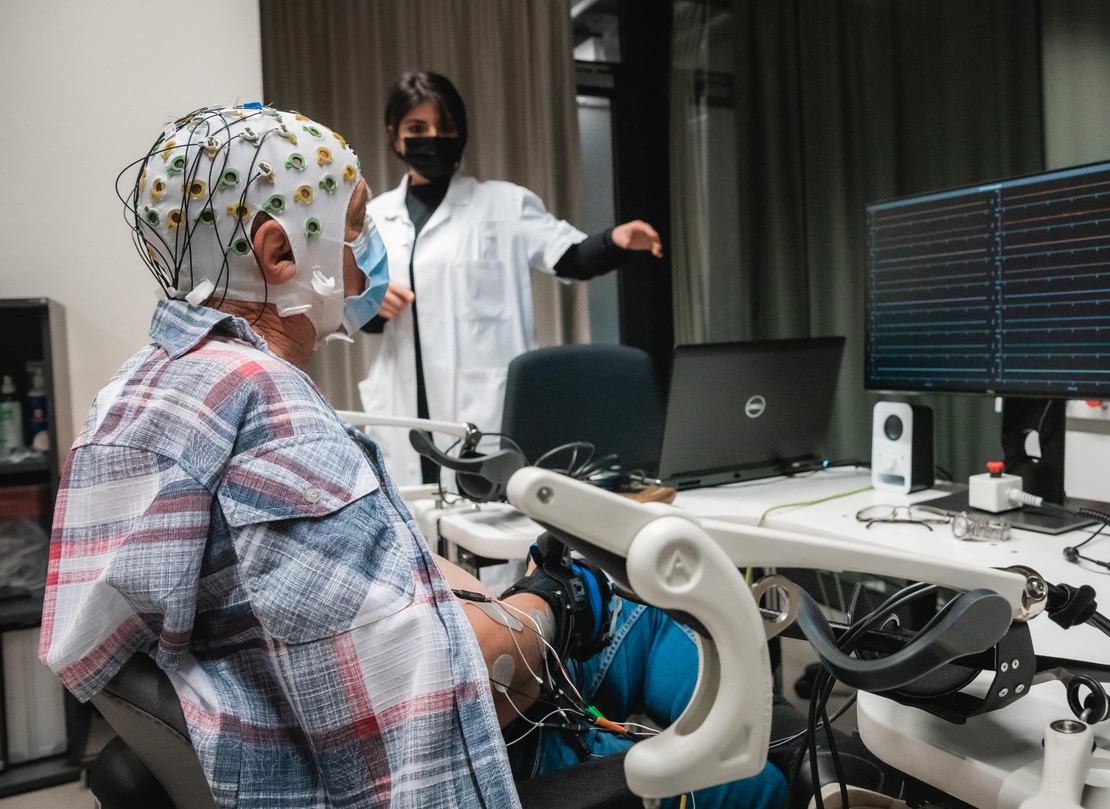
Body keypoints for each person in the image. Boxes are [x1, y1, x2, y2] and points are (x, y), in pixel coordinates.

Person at [40, 105, 784, 808]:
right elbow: (427, 687)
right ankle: (791, 763)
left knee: (609, 615)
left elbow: (336, 596)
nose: (365, 265)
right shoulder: (268, 412)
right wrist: (554, 602)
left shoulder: (141, 392)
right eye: (353, 228)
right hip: (404, 766)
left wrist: (508, 598)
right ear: (277, 252)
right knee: (738, 755)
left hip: (255, 714)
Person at [359, 71, 663, 485]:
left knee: (489, 531)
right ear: (395, 136)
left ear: (461, 134)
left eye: (445, 127)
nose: (433, 137)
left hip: (482, 408)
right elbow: (359, 315)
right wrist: (371, 303)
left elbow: (570, 257)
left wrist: (615, 241)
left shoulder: (504, 204)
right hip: (404, 404)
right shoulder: (375, 217)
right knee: (418, 526)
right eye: (417, 128)